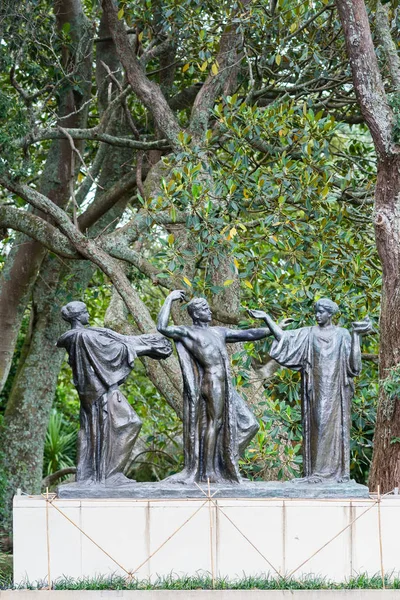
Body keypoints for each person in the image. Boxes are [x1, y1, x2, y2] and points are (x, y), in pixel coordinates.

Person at [249, 299, 372, 483]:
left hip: (336, 392)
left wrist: (356, 336)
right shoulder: (309, 333)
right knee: (317, 425)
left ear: (330, 314)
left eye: (321, 312)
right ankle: (315, 473)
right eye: (316, 311)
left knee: (331, 427)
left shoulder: (342, 334)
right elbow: (284, 338)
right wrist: (267, 318)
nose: (317, 315)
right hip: (315, 390)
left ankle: (329, 475)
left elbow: (354, 367)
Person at [157, 290, 271, 484]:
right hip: (211, 381)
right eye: (204, 309)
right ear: (195, 313)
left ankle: (221, 462)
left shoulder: (218, 331)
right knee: (215, 423)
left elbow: (248, 334)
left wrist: (271, 325)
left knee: (250, 424)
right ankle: (208, 471)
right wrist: (170, 298)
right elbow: (162, 327)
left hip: (224, 384)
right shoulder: (188, 332)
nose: (209, 312)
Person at [57, 301, 172, 486]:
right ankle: (111, 475)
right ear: (78, 316)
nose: (88, 315)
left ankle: (93, 474)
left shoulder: (84, 335)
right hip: (101, 390)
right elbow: (114, 351)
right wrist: (149, 349)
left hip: (94, 391)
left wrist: (149, 341)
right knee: (130, 423)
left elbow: (121, 340)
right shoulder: (83, 336)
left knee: (92, 431)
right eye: (86, 311)